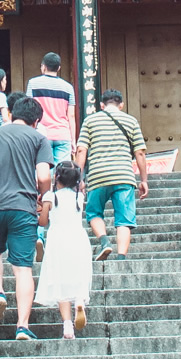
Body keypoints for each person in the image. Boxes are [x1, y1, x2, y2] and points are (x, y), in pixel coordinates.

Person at [0, 96, 54, 342]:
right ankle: (22, 326)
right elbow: (43, 176)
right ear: (36, 120)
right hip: (23, 208)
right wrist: (42, 195)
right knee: (22, 268)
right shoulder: (39, 139)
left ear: (13, 112)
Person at [75, 88, 148, 260]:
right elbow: (140, 153)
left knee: (94, 213)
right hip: (123, 176)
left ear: (102, 105)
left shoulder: (90, 121)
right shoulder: (131, 121)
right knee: (124, 219)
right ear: (121, 105)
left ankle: (104, 242)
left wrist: (79, 178)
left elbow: (81, 150)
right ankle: (121, 257)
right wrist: (144, 180)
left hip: (97, 176)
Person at [36, 161, 93, 339]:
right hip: (78, 239)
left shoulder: (50, 197)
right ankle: (79, 301)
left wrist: (41, 209)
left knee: (60, 281)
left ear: (56, 177)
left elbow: (43, 222)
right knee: (78, 276)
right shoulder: (79, 197)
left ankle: (67, 326)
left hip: (57, 241)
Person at [26, 53, 77, 163]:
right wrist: (73, 140)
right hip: (63, 133)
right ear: (59, 68)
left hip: (41, 133)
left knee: (43, 170)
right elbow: (71, 116)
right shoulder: (68, 87)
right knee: (62, 173)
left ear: (43, 66)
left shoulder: (33, 83)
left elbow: (29, 109)